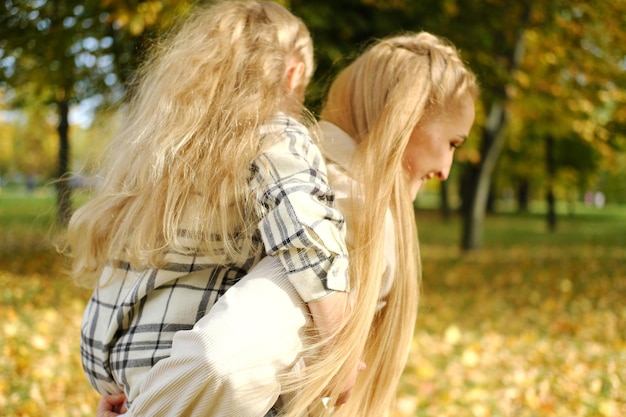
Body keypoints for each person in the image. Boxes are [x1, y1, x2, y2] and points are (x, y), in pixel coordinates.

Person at [99, 31, 479, 417]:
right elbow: (224, 364)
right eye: (452, 142)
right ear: (407, 118)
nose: (447, 170)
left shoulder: (279, 170)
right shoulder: (347, 211)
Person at [66, 0, 357, 413]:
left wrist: (131, 385)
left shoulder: (156, 148)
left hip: (131, 387)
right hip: (201, 387)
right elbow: (307, 236)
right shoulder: (273, 131)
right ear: (292, 75)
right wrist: (340, 349)